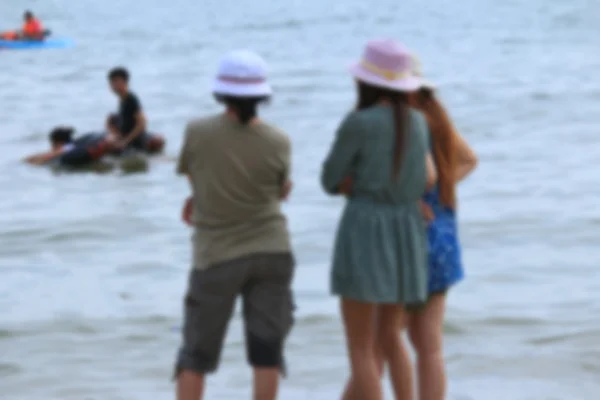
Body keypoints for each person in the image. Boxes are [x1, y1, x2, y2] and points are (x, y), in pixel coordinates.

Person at [343, 57, 479, 400]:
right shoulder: (436, 117)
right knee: (429, 347)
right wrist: (438, 193)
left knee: (376, 345)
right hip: (442, 240)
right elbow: (468, 160)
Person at [174, 50, 295, 400]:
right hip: (273, 251)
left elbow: (197, 178)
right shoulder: (279, 140)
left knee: (195, 355)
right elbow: (281, 190)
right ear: (263, 95)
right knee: (267, 354)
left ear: (220, 92)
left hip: (216, 255)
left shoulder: (198, 131)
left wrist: (197, 200)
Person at [320, 39, 437, 400]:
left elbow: (329, 179)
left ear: (365, 81)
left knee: (360, 347)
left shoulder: (359, 123)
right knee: (391, 338)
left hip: (365, 230)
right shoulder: (419, 122)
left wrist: (353, 183)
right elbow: (426, 179)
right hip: (405, 230)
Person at [23, 126, 116, 167]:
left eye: (52, 145)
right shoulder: (76, 144)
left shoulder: (68, 148)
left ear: (58, 143)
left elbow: (56, 153)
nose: (51, 148)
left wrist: (33, 160)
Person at [107, 67, 149, 151]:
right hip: (126, 143)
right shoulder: (123, 100)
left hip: (134, 147)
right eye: (111, 82)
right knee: (111, 118)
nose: (113, 85)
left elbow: (142, 123)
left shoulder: (131, 99)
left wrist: (125, 141)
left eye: (116, 81)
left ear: (125, 82)